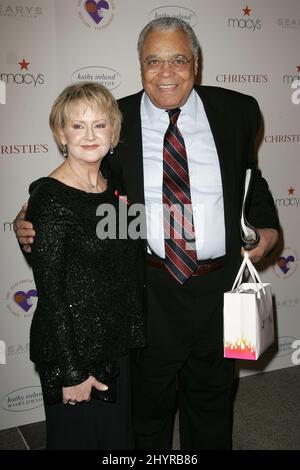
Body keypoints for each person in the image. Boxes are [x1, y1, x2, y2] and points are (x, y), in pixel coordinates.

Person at [14, 18, 280, 450]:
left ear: (196, 62)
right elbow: (75, 190)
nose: (166, 72)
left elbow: (252, 178)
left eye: (178, 59)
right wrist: (25, 219)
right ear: (139, 65)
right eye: (153, 61)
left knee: (213, 402)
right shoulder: (114, 122)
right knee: (147, 411)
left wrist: (267, 225)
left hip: (220, 285)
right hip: (148, 289)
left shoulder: (239, 110)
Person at [21, 82, 145, 450]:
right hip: (75, 352)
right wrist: (71, 371)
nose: (90, 135)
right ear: (61, 133)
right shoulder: (49, 197)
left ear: (114, 130)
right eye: (77, 125)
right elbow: (52, 294)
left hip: (116, 343)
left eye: (100, 124)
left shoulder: (115, 185)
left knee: (118, 442)